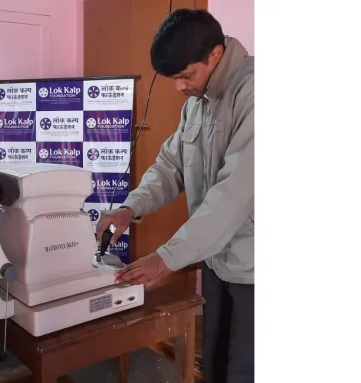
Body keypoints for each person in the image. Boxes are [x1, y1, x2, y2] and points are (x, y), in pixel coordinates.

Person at [95, 9, 254, 383]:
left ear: (215, 55)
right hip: (217, 261)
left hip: (257, 268)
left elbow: (232, 195)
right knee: (214, 366)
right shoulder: (198, 102)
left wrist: (166, 259)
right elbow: (171, 165)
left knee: (246, 371)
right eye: (173, 78)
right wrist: (129, 207)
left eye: (186, 75)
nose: (179, 87)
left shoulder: (256, 95)